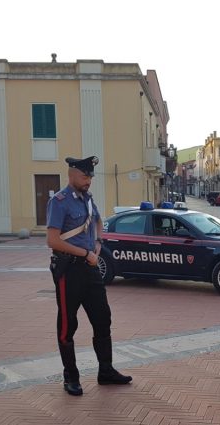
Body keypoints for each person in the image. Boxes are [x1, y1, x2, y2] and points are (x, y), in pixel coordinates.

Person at [46, 156, 132, 396]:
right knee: (67, 325)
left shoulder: (88, 200)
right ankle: (70, 377)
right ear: (72, 174)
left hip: (90, 268)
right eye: (85, 177)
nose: (89, 181)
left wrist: (97, 242)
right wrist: (85, 252)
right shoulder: (59, 202)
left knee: (103, 319)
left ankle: (105, 371)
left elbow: (97, 223)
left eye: (91, 177)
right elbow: (52, 240)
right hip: (69, 270)